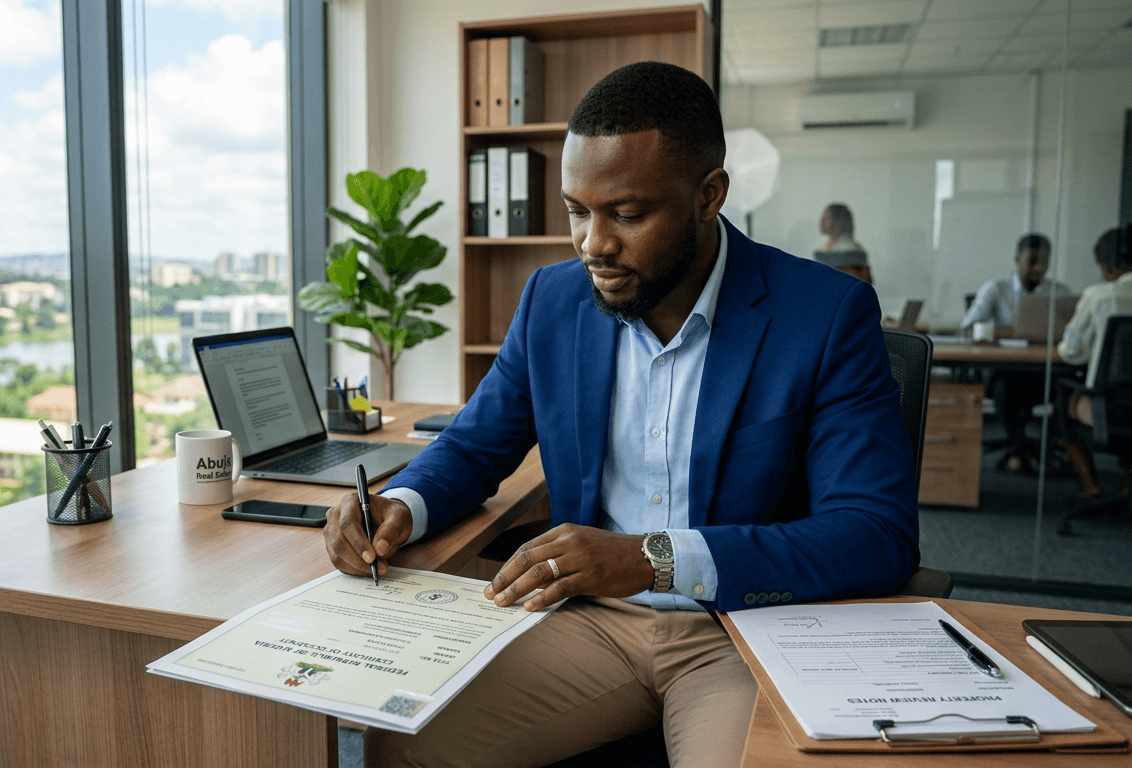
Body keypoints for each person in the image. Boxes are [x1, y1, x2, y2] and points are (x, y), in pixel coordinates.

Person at [324, 62, 918, 768]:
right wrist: (400, 502)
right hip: (591, 625)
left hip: (742, 630)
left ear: (708, 196)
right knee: (403, 740)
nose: (592, 244)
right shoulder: (553, 301)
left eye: (627, 214)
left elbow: (875, 533)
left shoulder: (822, 315)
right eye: (578, 211)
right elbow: (476, 445)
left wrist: (648, 559)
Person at [1056, 223, 1132, 496]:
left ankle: (1091, 487)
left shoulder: (1099, 296)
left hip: (1110, 411)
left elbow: (1071, 352)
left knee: (1061, 402)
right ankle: (1129, 485)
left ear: (1108, 266)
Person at [961, 234, 1073, 475]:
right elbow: (969, 325)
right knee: (1005, 388)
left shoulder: (1060, 292)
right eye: (1031, 262)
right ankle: (1019, 449)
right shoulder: (996, 288)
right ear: (1017, 260)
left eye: (1043, 262)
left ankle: (1041, 448)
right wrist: (1013, 334)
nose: (1037, 268)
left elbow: (1072, 334)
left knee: (1068, 389)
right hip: (1005, 370)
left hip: (1041, 371)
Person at [813, 203, 873, 283]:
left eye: (826, 219)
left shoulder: (851, 248)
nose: (822, 222)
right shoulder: (821, 247)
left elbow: (861, 280)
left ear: (838, 221)